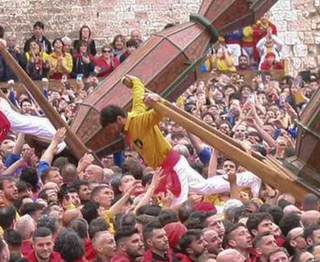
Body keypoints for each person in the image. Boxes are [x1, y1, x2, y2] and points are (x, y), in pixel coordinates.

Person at [98, 77, 260, 204]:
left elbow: (160, 113)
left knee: (178, 203)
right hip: (169, 166)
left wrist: (158, 101)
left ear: (119, 119)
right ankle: (250, 177)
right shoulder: (135, 115)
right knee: (205, 187)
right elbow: (138, 96)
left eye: (110, 127)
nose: (111, 132)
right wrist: (134, 82)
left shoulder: (139, 121)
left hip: (172, 166)